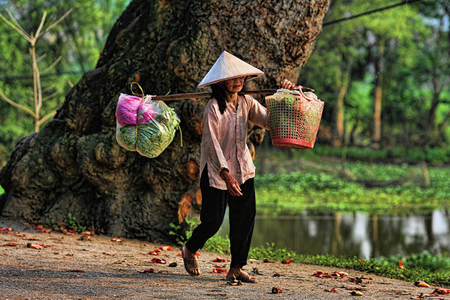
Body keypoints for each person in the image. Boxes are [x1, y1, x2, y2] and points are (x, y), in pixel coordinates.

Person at [181, 51, 298, 283]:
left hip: (243, 169)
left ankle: (236, 267)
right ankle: (189, 248)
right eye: (232, 78)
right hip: (216, 172)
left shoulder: (247, 102)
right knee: (213, 221)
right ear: (221, 81)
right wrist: (225, 174)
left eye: (240, 78)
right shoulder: (213, 107)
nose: (237, 81)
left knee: (244, 219)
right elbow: (211, 144)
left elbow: (269, 121)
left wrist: (287, 94)